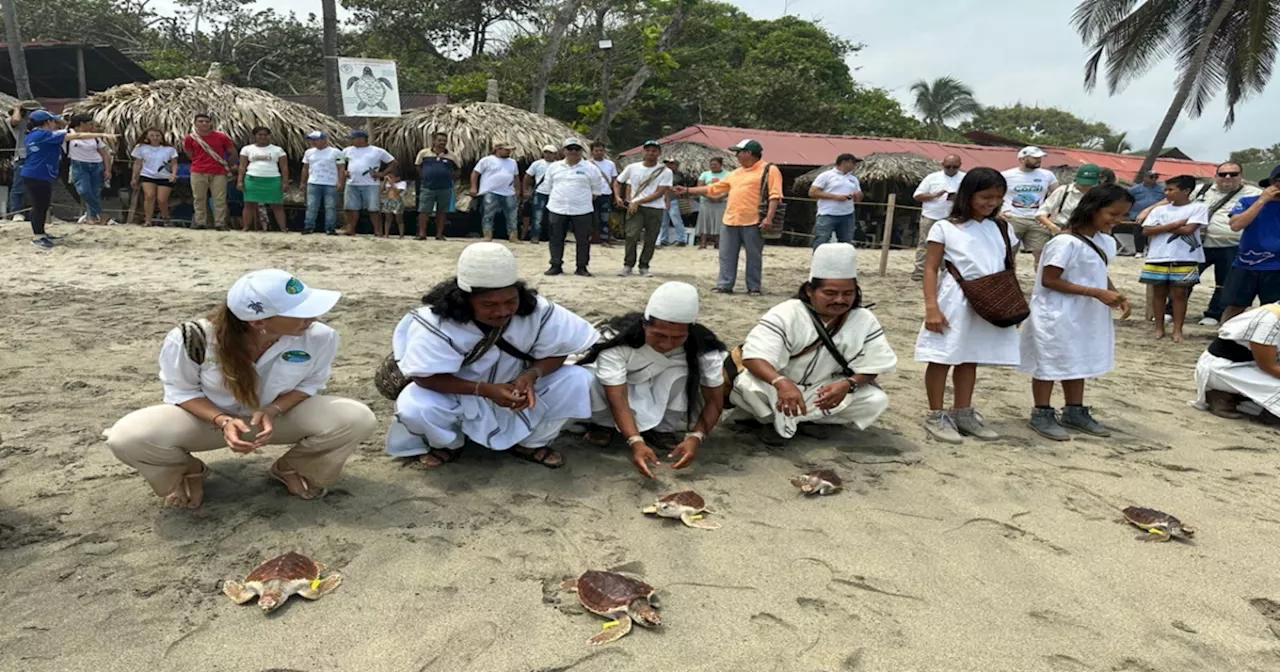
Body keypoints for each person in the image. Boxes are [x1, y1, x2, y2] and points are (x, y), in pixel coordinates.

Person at [103, 270, 377, 509]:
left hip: (274, 419)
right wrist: (222, 420)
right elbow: (181, 392)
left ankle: (294, 467)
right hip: (207, 421)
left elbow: (311, 384)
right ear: (258, 322)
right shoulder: (193, 338)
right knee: (127, 438)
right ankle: (187, 470)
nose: (313, 316)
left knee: (356, 418)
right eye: (299, 313)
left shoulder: (319, 336)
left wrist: (273, 409)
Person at [384, 242, 600, 469]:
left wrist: (532, 374)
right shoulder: (434, 322)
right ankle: (447, 444)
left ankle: (530, 442)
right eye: (489, 304)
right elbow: (423, 376)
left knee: (578, 379)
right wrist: (484, 390)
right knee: (414, 404)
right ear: (464, 299)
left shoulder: (537, 310)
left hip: (518, 391)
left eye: (510, 301)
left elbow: (561, 348)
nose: (502, 312)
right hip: (458, 393)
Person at [732, 243, 896, 446]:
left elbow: (874, 364)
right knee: (747, 386)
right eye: (830, 293)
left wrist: (848, 384)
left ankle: (809, 420)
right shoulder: (787, 312)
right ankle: (774, 421)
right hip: (777, 385)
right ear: (810, 290)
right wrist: (781, 383)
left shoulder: (864, 319)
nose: (839, 300)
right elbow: (753, 358)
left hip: (824, 389)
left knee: (875, 400)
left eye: (848, 294)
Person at [576, 282, 728, 478]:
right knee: (590, 376)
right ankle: (602, 424)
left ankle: (662, 429)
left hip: (663, 392)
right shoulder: (616, 341)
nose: (667, 344)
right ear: (644, 325)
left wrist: (696, 437)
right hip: (618, 392)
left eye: (677, 338)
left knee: (682, 372)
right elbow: (617, 398)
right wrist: (635, 441)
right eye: (658, 335)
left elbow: (715, 401)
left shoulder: (704, 349)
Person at [1021, 186, 1134, 440]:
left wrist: (1114, 294)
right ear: (1093, 209)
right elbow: (1050, 279)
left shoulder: (1104, 241)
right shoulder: (1063, 242)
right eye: (1113, 214)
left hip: (1086, 311)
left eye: (1122, 215)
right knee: (1049, 360)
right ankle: (1041, 411)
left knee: (1079, 357)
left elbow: (1097, 270)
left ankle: (1075, 409)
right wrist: (1095, 293)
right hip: (1057, 312)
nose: (1117, 221)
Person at [916, 167, 1021, 443]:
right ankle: (935, 414)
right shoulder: (945, 226)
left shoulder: (1002, 227)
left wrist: (1010, 302)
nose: (992, 202)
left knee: (970, 355)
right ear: (968, 195)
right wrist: (931, 307)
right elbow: (930, 268)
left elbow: (1009, 265)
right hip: (955, 296)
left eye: (998, 197)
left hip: (989, 296)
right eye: (985, 196)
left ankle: (963, 411)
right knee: (943, 355)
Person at [675, 139, 783, 296]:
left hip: (753, 220)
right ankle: (725, 284)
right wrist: (687, 190)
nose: (736, 156)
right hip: (730, 219)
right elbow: (714, 188)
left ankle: (753, 286)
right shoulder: (735, 173)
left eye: (738, 152)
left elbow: (775, 195)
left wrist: (769, 217)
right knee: (726, 254)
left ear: (748, 153)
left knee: (753, 255)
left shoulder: (769, 169)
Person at [21, 110, 115, 249]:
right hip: (38, 174)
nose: (56, 124)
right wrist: (102, 134)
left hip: (36, 173)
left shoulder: (34, 135)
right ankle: (38, 236)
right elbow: (76, 135)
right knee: (40, 206)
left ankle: (41, 233)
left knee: (42, 205)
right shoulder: (45, 134)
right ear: (47, 122)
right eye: (53, 121)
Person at [1139, 174, 1208, 343]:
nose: (1166, 193)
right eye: (1165, 189)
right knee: (1159, 292)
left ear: (1186, 191)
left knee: (1180, 293)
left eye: (1171, 189)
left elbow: (1189, 230)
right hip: (1158, 255)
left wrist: (1160, 228)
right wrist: (1175, 225)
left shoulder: (1198, 207)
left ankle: (1177, 329)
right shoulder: (1159, 210)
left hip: (1185, 256)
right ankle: (1159, 327)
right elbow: (1146, 230)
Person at [1193, 303, 1280, 422]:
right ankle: (1222, 394)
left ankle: (1241, 400)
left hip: (1250, 365)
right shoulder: (1269, 322)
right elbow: (1269, 366)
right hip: (1225, 368)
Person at [1220, 165, 1280, 324]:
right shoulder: (1248, 201)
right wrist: (1262, 200)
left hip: (1276, 267)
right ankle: (1224, 340)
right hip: (1247, 264)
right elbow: (1236, 225)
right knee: (1235, 306)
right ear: (1272, 182)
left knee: (1273, 310)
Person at [544, 137, 604, 277]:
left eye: (576, 149)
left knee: (583, 240)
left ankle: (581, 267)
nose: (573, 151)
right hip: (557, 208)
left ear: (581, 151)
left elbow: (596, 191)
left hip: (582, 209)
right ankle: (555, 265)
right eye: (570, 149)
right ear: (564, 151)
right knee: (556, 238)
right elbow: (548, 187)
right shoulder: (554, 167)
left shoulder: (591, 168)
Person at [615, 141, 673, 277]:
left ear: (659, 153)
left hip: (655, 207)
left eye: (654, 151)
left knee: (651, 237)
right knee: (631, 235)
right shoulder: (632, 167)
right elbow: (618, 181)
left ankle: (644, 265)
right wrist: (618, 196)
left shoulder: (665, 171)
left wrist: (638, 201)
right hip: (635, 207)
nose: (651, 153)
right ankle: (628, 264)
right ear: (643, 152)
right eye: (648, 150)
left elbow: (659, 192)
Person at [1000, 146, 1058, 268]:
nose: (1039, 160)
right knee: (1009, 253)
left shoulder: (1047, 175)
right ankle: (1010, 282)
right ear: (1022, 159)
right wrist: (999, 212)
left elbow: (1057, 195)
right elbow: (996, 194)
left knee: (1041, 255)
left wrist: (1052, 215)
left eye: (1040, 158)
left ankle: (1041, 283)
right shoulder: (1006, 176)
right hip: (1013, 218)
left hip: (1037, 219)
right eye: (1035, 158)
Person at [911, 155, 965, 281]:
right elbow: (917, 196)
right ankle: (919, 272)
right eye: (948, 166)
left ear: (960, 165)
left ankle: (948, 271)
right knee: (925, 244)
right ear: (942, 164)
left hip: (953, 217)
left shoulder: (965, 178)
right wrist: (934, 195)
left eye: (955, 167)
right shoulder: (932, 178)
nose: (951, 169)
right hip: (931, 216)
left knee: (951, 245)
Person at [183, 113, 237, 231]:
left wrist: (227, 163)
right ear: (195, 123)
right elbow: (189, 153)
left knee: (219, 198)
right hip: (198, 171)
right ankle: (200, 222)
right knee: (199, 197)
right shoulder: (190, 138)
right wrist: (199, 161)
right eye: (201, 121)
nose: (204, 124)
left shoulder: (221, 137)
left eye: (207, 121)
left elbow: (232, 152)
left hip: (218, 171)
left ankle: (220, 223)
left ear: (211, 123)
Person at [342, 129, 396, 237]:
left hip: (371, 184)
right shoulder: (347, 150)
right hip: (352, 183)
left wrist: (382, 173)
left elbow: (393, 162)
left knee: (373, 208)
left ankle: (377, 230)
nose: (351, 140)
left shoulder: (377, 151)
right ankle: (351, 229)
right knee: (350, 208)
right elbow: (339, 162)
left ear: (361, 139)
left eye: (353, 138)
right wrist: (343, 171)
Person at [237, 126, 289, 232]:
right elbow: (242, 166)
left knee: (277, 205)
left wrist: (285, 182)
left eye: (265, 135)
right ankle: (246, 227)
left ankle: (283, 228)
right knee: (249, 204)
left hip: (273, 179)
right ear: (255, 136)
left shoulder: (277, 150)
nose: (263, 137)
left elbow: (284, 167)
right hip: (252, 179)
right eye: (260, 135)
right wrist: (240, 181)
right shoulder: (247, 149)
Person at [808, 153, 864, 248]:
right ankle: (818, 260)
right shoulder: (826, 175)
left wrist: (858, 195)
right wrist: (835, 197)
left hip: (847, 214)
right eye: (853, 163)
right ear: (844, 162)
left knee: (846, 242)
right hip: (827, 213)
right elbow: (812, 192)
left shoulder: (853, 179)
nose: (855, 165)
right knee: (822, 239)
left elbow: (858, 199)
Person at [471, 141, 521, 242]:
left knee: (512, 214)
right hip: (491, 191)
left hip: (508, 191)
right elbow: (475, 173)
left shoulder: (512, 162)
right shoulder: (486, 160)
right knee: (488, 213)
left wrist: (518, 189)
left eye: (509, 150)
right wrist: (473, 187)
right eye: (506, 150)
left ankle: (513, 236)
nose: (508, 152)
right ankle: (487, 235)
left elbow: (516, 177)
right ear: (498, 149)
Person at [66, 115, 112, 225]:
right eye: (90, 123)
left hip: (96, 164)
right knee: (84, 190)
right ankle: (101, 214)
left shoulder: (94, 137)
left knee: (95, 192)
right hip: (79, 164)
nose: (92, 126)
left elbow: (104, 154)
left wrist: (107, 169)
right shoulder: (68, 133)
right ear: (81, 124)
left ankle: (91, 217)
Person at [130, 128, 179, 228]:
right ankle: (148, 220)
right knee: (149, 196)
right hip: (147, 174)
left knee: (162, 200)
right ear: (147, 136)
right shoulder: (141, 148)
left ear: (161, 137)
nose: (155, 138)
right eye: (152, 135)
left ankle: (166, 218)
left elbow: (174, 163)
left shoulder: (170, 149)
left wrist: (174, 174)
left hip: (164, 176)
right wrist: (134, 177)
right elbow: (137, 163)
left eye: (157, 135)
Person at [300, 131, 345, 236]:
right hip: (313, 182)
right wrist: (303, 182)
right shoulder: (308, 152)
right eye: (311, 140)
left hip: (330, 183)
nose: (313, 142)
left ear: (324, 140)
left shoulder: (337, 152)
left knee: (330, 206)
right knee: (311, 206)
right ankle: (308, 226)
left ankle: (330, 228)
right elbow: (305, 168)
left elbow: (341, 168)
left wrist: (340, 181)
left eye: (316, 139)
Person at [414, 132, 458, 241]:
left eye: (444, 141)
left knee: (442, 211)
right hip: (428, 187)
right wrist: (424, 176)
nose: (442, 143)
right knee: (424, 211)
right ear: (434, 141)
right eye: (440, 140)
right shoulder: (424, 153)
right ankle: (422, 233)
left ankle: (439, 234)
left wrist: (451, 177)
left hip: (445, 187)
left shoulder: (452, 156)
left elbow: (458, 169)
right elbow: (417, 166)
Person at [1036, 163, 1100, 234]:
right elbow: (1041, 212)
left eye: (1089, 184)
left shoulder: (1099, 194)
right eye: (1082, 183)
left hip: (1087, 232)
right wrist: (1052, 226)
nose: (1085, 186)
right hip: (1062, 228)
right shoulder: (1063, 190)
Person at [8, 100, 41, 220]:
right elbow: (14, 120)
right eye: (31, 111)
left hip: (39, 159)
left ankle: (38, 212)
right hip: (23, 158)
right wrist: (17, 108)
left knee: (38, 188)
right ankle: (16, 212)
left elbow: (61, 123)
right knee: (18, 187)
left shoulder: (42, 124)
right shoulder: (20, 124)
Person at [523, 144, 557, 243]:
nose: (548, 155)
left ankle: (552, 237)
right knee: (537, 216)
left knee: (553, 217)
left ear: (555, 154)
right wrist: (525, 190)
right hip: (540, 192)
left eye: (550, 153)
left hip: (554, 193)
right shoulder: (537, 164)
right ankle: (535, 236)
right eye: (546, 152)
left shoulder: (559, 165)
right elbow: (527, 176)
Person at [1126, 171, 1165, 256]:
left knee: (1154, 231)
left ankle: (1151, 249)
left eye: (1156, 177)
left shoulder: (1162, 189)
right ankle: (1139, 251)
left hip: (1156, 215)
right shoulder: (1134, 189)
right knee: (1138, 230)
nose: (1154, 179)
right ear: (1145, 177)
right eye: (1151, 177)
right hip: (1138, 214)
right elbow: (1127, 200)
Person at [697, 157, 730, 250]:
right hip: (706, 201)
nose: (713, 166)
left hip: (722, 202)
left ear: (720, 165)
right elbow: (700, 187)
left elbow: (730, 188)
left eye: (715, 164)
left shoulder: (728, 174)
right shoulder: (705, 174)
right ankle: (703, 243)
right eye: (711, 164)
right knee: (704, 222)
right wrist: (709, 196)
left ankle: (718, 243)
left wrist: (719, 197)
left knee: (719, 223)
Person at [589, 141, 618, 246]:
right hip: (591, 194)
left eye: (601, 150)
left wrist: (616, 194)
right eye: (596, 150)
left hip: (605, 194)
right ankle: (591, 237)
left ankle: (604, 238)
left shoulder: (610, 164)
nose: (599, 152)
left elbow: (615, 180)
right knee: (590, 217)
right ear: (592, 151)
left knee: (605, 217)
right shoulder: (588, 164)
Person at [658, 158, 688, 246]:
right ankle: (663, 239)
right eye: (667, 163)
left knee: (676, 220)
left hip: (673, 199)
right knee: (663, 221)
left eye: (671, 163)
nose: (668, 165)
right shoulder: (662, 173)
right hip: (661, 199)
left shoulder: (678, 175)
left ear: (676, 165)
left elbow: (673, 183)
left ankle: (681, 239)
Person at [382, 169, 407, 237]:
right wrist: (384, 181)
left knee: (399, 219)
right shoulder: (388, 183)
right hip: (388, 200)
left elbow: (398, 192)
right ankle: (386, 234)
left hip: (397, 201)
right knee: (388, 219)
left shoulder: (402, 183)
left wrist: (392, 184)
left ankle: (401, 234)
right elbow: (382, 190)